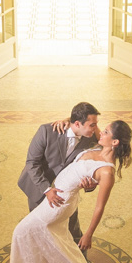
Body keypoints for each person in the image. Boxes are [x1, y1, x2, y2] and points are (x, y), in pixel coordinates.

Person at [9, 121, 132, 263]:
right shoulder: (99, 145)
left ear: (115, 142)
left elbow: (99, 207)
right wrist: (66, 120)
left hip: (60, 202)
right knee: (51, 236)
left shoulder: (107, 173)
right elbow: (86, 122)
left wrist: (88, 234)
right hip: (55, 195)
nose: (101, 133)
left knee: (21, 231)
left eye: (106, 132)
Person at [17, 102, 101, 250]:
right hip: (38, 187)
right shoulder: (46, 131)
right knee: (41, 228)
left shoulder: (91, 139)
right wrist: (47, 190)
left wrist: (90, 186)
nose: (95, 129)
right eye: (92, 125)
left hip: (67, 190)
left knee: (73, 229)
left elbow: (94, 166)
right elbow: (32, 163)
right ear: (76, 123)